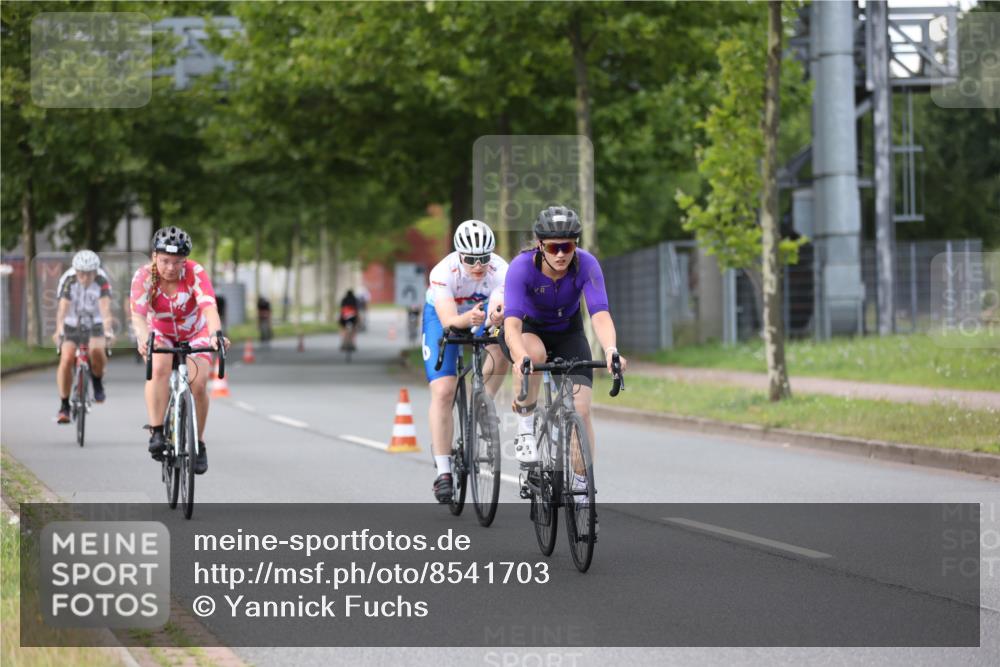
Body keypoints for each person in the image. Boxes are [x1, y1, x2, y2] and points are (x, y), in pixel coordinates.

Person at [503, 206, 627, 502]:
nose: (560, 254)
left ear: (576, 245)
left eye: (567, 247)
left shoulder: (587, 264)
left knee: (581, 410)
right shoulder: (521, 267)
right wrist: (520, 357)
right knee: (534, 355)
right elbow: (511, 325)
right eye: (553, 247)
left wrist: (611, 350)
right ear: (540, 246)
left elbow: (600, 315)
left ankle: (582, 489)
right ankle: (525, 429)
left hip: (568, 333)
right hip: (530, 329)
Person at [129, 226, 229, 474]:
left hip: (195, 332)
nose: (171, 268)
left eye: (177, 262)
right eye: (165, 261)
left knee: (198, 383)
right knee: (159, 368)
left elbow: (209, 308)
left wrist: (215, 335)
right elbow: (138, 316)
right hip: (160, 332)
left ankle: (199, 443)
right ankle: (157, 430)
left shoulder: (195, 272)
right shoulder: (144, 277)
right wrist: (143, 338)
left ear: (185, 260)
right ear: (154, 256)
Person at [423, 220, 509, 503]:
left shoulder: (502, 270)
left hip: (481, 314)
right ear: (459, 255)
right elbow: (449, 320)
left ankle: (483, 402)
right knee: (444, 390)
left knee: (501, 348)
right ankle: (443, 472)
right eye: (471, 259)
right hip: (443, 317)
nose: (478, 265)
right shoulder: (442, 272)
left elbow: (497, 310)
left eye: (484, 257)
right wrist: (467, 319)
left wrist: (494, 318)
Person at [52, 250, 115, 422]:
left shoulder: (102, 280)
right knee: (66, 358)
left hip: (95, 322)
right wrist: (59, 330)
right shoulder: (68, 279)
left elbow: (105, 310)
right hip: (72, 322)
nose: (85, 278)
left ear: (95, 272)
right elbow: (62, 309)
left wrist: (108, 330)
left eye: (89, 274)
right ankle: (64, 405)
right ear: (76, 271)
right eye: (81, 274)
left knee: (96, 350)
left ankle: (97, 380)